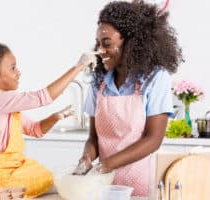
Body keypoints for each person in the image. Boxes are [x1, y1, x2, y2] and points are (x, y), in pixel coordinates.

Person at [0, 37, 96, 198]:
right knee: (62, 184)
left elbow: (35, 130)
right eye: (12, 68)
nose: (18, 72)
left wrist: (55, 117)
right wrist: (79, 67)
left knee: (55, 180)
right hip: (2, 180)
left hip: (13, 172)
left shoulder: (1, 102)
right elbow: (42, 97)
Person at [73, 0, 183, 197]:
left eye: (107, 44)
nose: (100, 50)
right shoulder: (99, 80)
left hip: (140, 182)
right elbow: (94, 138)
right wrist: (86, 160)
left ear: (131, 43)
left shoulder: (155, 78)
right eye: (98, 43)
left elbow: (153, 139)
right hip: (102, 184)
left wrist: (105, 166)